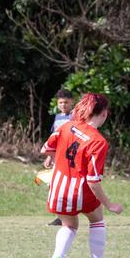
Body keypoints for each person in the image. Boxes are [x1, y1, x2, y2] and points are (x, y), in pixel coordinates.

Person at [40, 92, 123, 258]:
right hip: (80, 191)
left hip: (58, 188)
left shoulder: (66, 126)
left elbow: (46, 149)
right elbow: (93, 181)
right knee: (97, 221)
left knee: (68, 226)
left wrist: (60, 157)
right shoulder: (98, 141)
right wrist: (110, 204)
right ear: (104, 114)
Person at [45, 89, 75, 226]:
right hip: (58, 156)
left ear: (72, 102)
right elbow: (54, 138)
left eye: (66, 102)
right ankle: (60, 216)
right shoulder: (57, 118)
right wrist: (50, 156)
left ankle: (70, 214)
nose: (63, 105)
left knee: (68, 186)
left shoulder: (75, 117)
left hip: (71, 157)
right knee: (54, 185)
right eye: (61, 102)